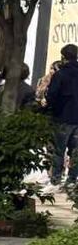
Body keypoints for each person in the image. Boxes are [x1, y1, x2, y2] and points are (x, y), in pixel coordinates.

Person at [46, 44, 78, 187]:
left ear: (63, 57)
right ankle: (72, 179)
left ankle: (56, 179)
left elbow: (52, 95)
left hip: (63, 117)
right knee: (76, 151)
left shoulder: (60, 75)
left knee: (59, 150)